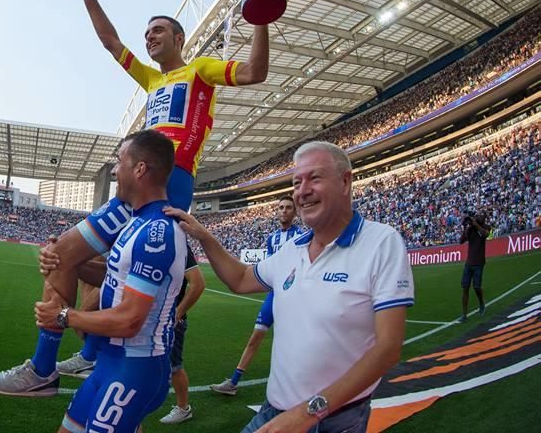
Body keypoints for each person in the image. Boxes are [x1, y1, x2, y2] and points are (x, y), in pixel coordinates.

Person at [0, 0, 275, 396]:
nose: (149, 37)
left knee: (96, 266)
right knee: (67, 258)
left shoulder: (201, 71)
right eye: (147, 33)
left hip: (169, 186)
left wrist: (262, 16)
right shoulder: (151, 80)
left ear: (179, 38)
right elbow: (109, 41)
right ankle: (66, 360)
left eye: (158, 30)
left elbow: (255, 72)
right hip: (136, 186)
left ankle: (70, 362)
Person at [173, 141, 414, 433]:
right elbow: (240, 279)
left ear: (346, 181)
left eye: (314, 178)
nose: (302, 190)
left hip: (334, 421)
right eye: (297, 182)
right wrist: (205, 237)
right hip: (273, 412)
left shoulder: (381, 242)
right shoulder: (292, 249)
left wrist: (309, 413)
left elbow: (388, 349)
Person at [34, 129, 189, 433]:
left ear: (140, 169)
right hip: (111, 363)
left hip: (134, 369)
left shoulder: (157, 232)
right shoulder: (138, 221)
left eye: (119, 162)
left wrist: (64, 316)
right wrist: (67, 261)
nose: (115, 170)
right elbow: (118, 279)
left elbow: (130, 320)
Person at [211, 195, 303, 396]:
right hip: (273, 295)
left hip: (294, 296)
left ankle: (297, 385)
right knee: (255, 337)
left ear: (295, 212)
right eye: (281, 207)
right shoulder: (272, 239)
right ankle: (233, 382)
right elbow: (270, 268)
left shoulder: (302, 236)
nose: (284, 210)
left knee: (292, 340)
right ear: (277, 211)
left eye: (288, 207)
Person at [157, 245, 206, 425]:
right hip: (153, 318)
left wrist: (178, 313)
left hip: (170, 321)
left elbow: (198, 283)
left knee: (175, 366)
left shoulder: (178, 245)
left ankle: (183, 408)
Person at [459, 210, 489, 321]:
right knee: (465, 288)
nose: (477, 217)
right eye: (476, 216)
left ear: (484, 218)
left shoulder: (486, 227)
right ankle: (464, 314)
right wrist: (464, 227)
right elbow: (461, 241)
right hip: (469, 263)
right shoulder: (470, 228)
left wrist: (476, 225)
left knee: (477, 287)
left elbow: (485, 234)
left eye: (480, 215)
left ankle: (481, 302)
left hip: (479, 263)